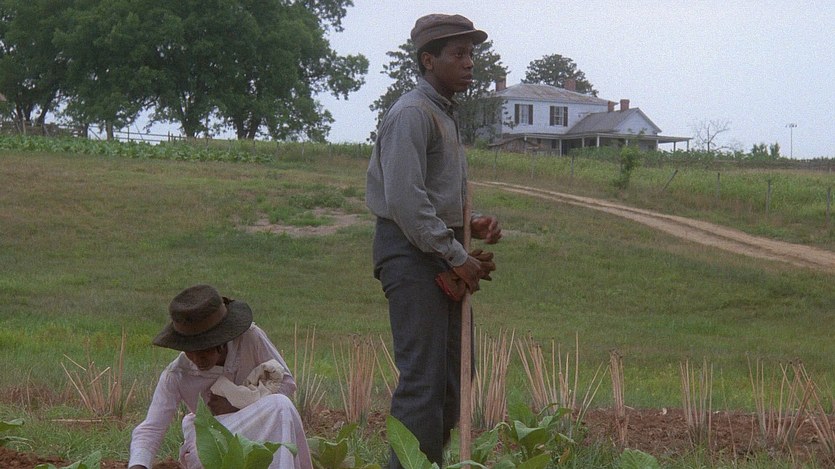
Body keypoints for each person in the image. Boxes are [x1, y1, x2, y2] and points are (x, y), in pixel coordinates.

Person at [365, 13, 502, 468]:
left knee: (454, 379)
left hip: (438, 251)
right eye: (458, 54)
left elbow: (429, 197)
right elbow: (405, 202)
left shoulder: (442, 113)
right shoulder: (412, 114)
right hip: (411, 256)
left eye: (471, 54)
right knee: (424, 382)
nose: (470, 63)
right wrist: (456, 253)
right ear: (428, 60)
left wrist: (471, 225)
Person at [128, 284, 313, 469]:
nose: (197, 359)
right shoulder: (176, 374)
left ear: (222, 340)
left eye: (204, 350)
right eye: (190, 350)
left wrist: (237, 403)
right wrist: (138, 465)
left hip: (257, 430)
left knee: (281, 406)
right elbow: (151, 428)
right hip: (210, 445)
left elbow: (287, 383)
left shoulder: (250, 338)